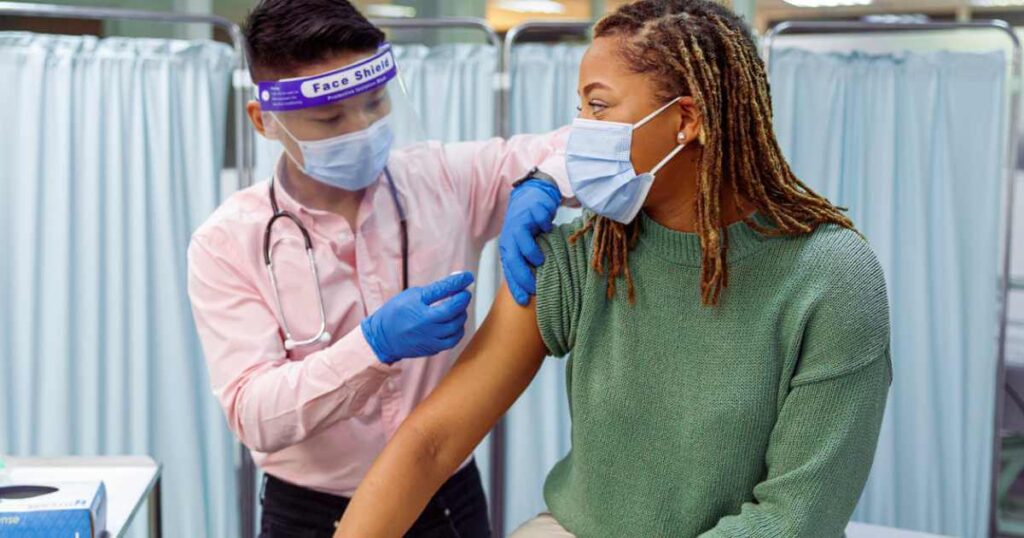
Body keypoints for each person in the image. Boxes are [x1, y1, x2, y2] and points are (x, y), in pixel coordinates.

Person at [333, 1, 892, 537]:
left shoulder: (831, 278)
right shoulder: (582, 255)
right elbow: (433, 440)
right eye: (580, 109)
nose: (579, 133)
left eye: (597, 108)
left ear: (686, 120)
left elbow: (795, 519)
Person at [186, 1, 571, 536]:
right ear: (264, 120)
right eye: (330, 118)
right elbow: (254, 413)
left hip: (445, 499)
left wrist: (547, 179)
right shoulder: (227, 242)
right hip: (310, 513)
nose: (363, 127)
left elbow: (587, 145)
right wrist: (374, 346)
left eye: (374, 103)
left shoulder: (443, 180)